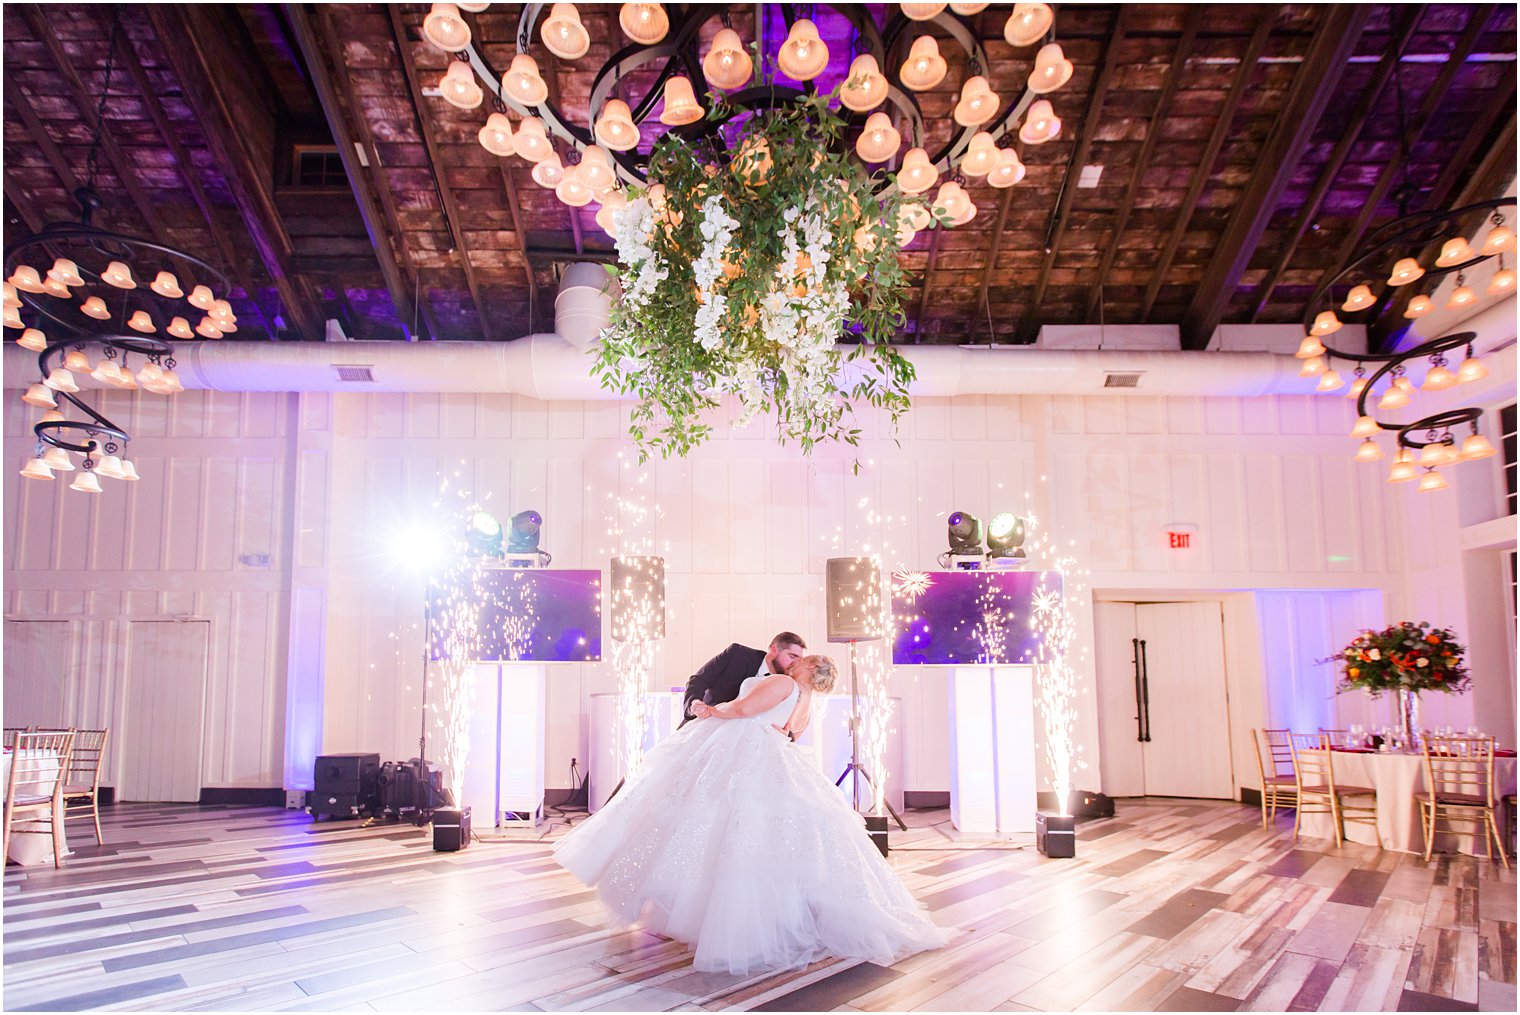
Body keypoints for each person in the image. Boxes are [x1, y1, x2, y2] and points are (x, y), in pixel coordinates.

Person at [554, 654, 950, 975]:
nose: (795, 662)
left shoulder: (786, 684)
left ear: (808, 669)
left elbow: (745, 709)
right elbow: (790, 733)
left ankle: (703, 916)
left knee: (713, 819)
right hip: (775, 754)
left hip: (743, 749)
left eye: (803, 660)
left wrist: (711, 711)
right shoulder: (807, 700)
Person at [678, 632, 806, 728]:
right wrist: (694, 704)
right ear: (774, 650)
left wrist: (787, 733)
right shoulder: (738, 654)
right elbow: (699, 680)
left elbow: (790, 717)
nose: (795, 663)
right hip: (704, 725)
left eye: (799, 660)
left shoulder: (789, 683)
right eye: (792, 656)